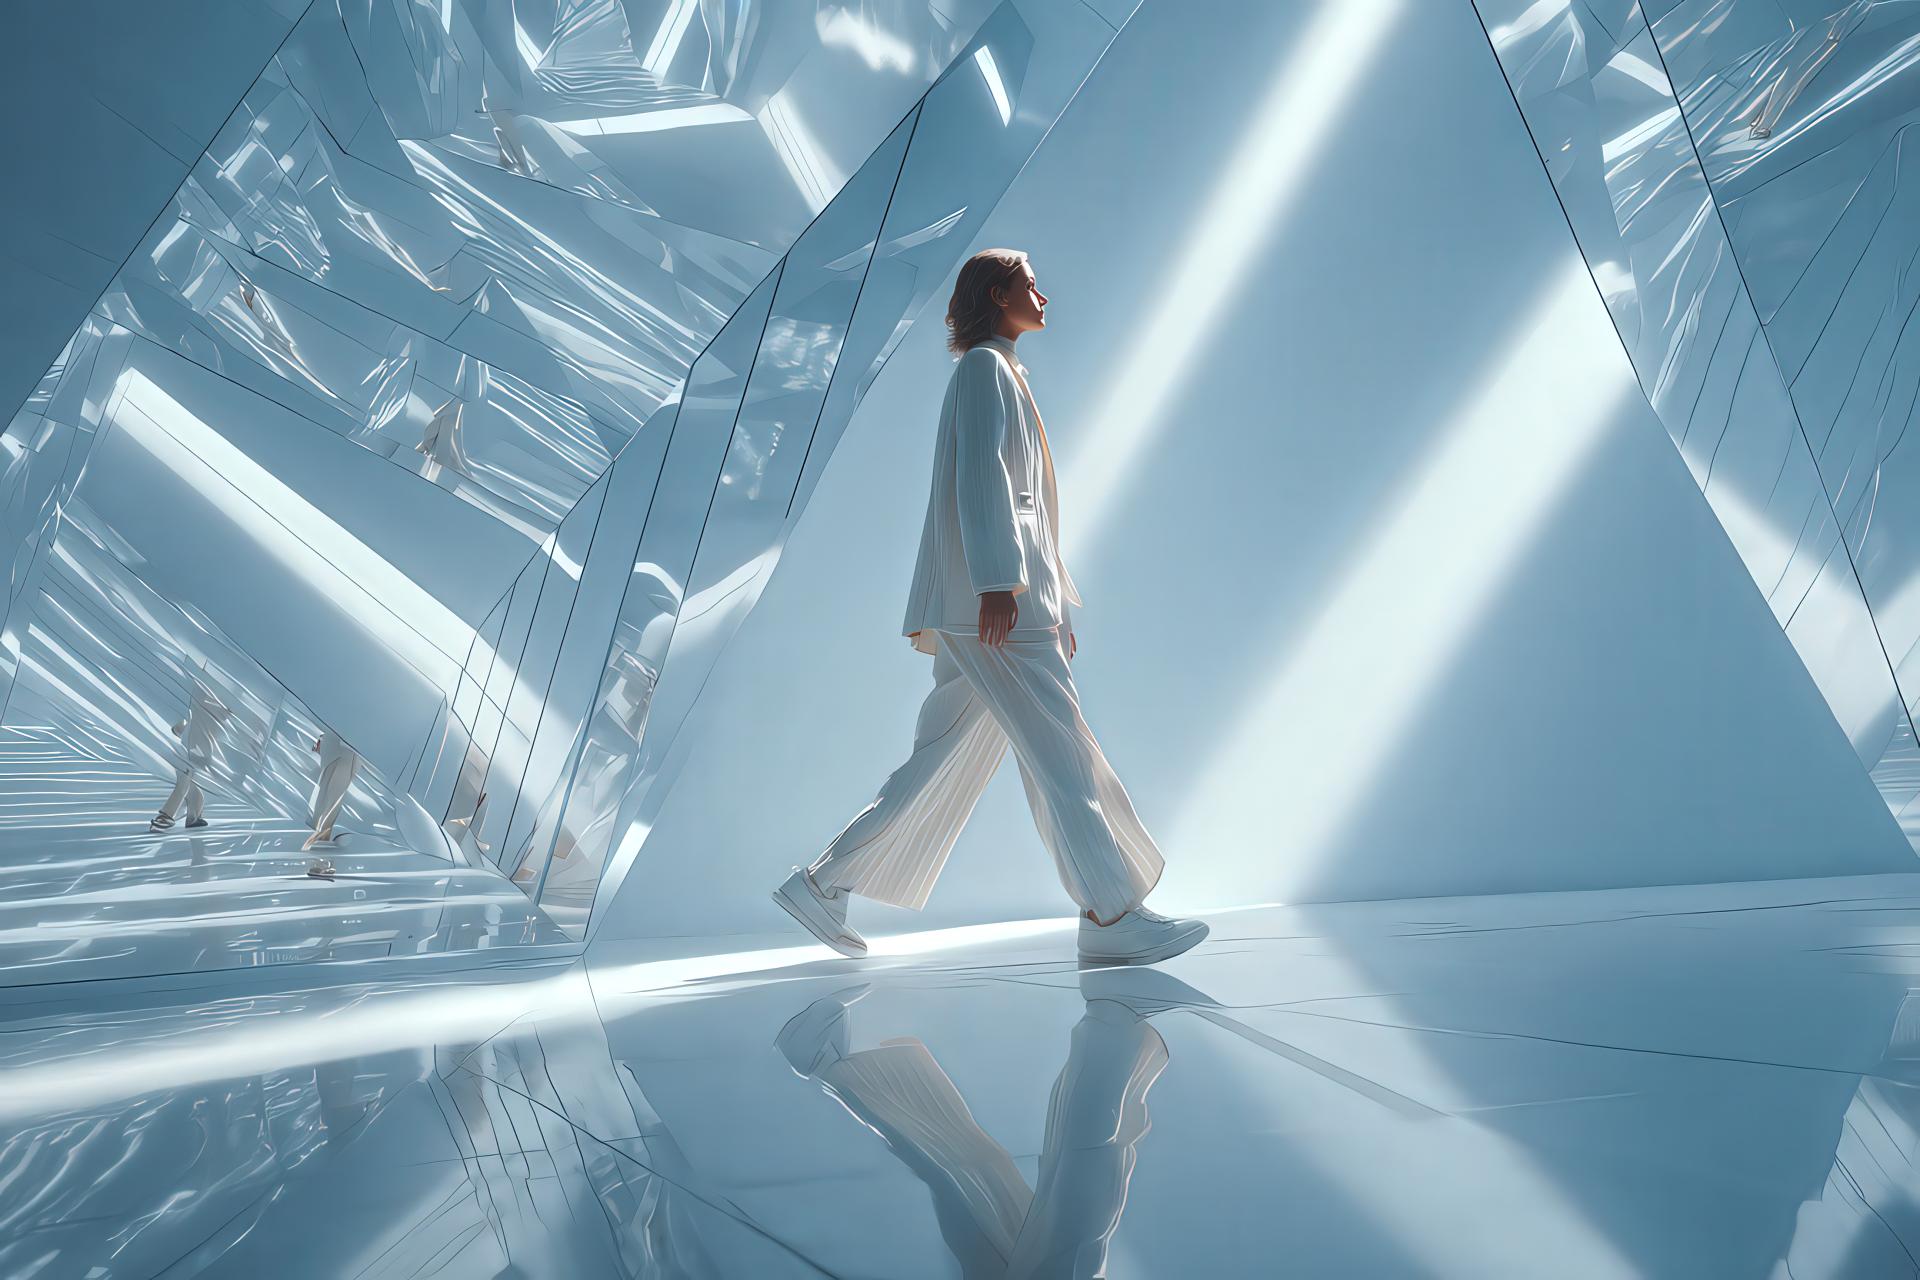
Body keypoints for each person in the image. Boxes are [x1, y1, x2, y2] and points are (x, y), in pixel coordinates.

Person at [774, 249, 1207, 966]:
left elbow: (1024, 503)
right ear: (997, 294)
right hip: (992, 606)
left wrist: (1048, 599)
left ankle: (822, 883)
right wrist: (999, 586)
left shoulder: (1000, 371)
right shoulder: (983, 370)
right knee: (1061, 752)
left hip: (997, 602)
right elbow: (984, 479)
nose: (1043, 293)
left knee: (946, 757)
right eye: (1029, 284)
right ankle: (1109, 912)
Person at [149, 683, 233, 833]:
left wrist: (183, 730)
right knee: (187, 782)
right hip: (195, 750)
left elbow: (177, 728)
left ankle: (181, 817)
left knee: (189, 783)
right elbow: (179, 728)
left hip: (193, 750)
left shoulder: (205, 705)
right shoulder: (213, 707)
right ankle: (180, 817)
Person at [304, 728, 360, 851]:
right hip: (341, 750)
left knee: (330, 800)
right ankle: (321, 840)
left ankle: (320, 840)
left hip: (343, 751)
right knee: (329, 800)